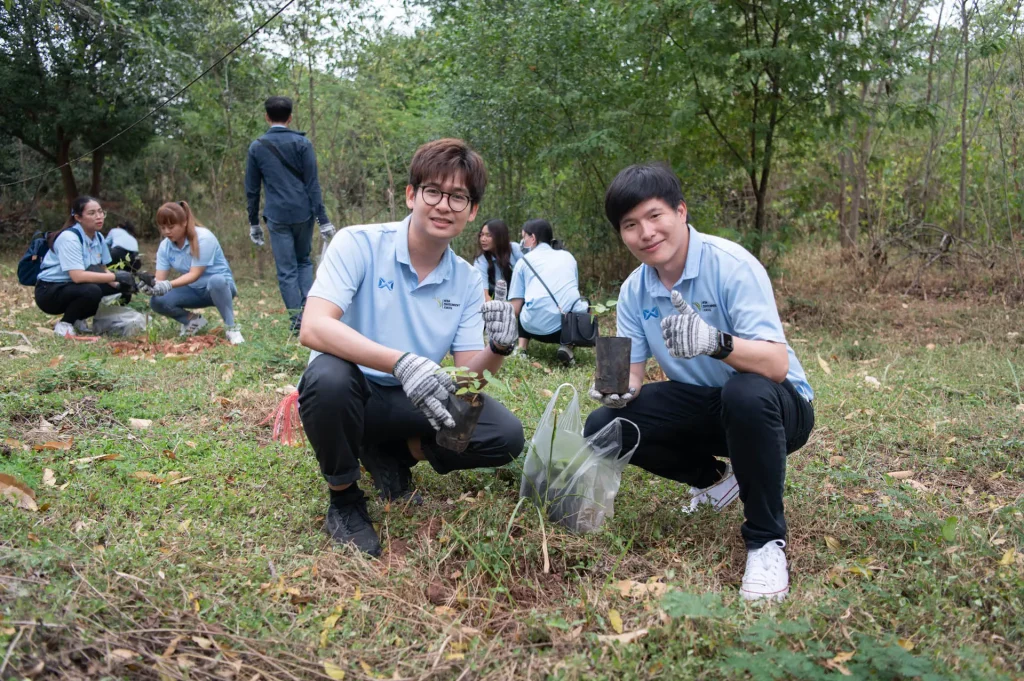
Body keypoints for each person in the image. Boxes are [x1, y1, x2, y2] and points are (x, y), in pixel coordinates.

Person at [584, 163, 814, 602]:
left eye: (655, 216)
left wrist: (716, 342)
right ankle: (714, 479)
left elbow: (776, 364)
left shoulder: (732, 266)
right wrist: (614, 388)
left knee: (744, 390)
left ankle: (766, 542)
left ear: (681, 211)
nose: (645, 233)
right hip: (709, 406)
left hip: (778, 407)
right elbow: (627, 375)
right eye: (630, 225)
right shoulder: (634, 289)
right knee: (604, 427)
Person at [297, 138, 524, 556]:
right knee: (328, 377)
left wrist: (498, 347)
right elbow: (313, 328)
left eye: (459, 197)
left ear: (472, 211)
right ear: (411, 195)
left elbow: (468, 381)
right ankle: (344, 499)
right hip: (352, 392)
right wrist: (400, 362)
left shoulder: (468, 280)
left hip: (411, 399)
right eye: (433, 191)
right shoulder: (359, 244)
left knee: (500, 433)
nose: (444, 205)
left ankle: (393, 456)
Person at [245, 96, 335, 331]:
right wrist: (322, 219)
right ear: (290, 117)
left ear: (266, 117)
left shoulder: (257, 147)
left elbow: (252, 190)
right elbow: (313, 184)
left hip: (276, 216)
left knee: (286, 270)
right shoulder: (302, 144)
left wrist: (253, 222)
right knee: (304, 262)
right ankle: (311, 317)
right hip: (303, 212)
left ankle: (298, 323)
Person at [140, 201, 245, 345]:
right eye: (162, 227)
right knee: (157, 301)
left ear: (184, 222)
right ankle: (192, 321)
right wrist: (150, 286)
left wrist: (168, 285)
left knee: (216, 281)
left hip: (220, 288)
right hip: (193, 291)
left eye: (171, 227)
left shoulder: (204, 238)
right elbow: (159, 280)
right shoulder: (165, 246)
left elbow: (194, 274)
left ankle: (231, 328)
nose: (166, 232)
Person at [34, 196, 134, 337]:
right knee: (91, 291)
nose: (98, 217)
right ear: (78, 217)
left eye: (100, 212)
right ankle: (65, 324)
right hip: (50, 291)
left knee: (123, 291)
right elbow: (77, 276)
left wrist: (120, 284)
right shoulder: (69, 238)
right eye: (92, 213)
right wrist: (116, 275)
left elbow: (102, 269)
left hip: (73, 287)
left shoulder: (98, 237)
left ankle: (79, 319)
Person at [507, 219, 587, 364]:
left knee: (523, 298)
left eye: (524, 237)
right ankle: (567, 346)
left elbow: (515, 309)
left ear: (533, 238)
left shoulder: (523, 262)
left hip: (532, 328)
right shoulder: (568, 257)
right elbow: (572, 291)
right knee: (576, 301)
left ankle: (522, 348)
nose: (522, 242)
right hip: (570, 330)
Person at [472, 218, 522, 301]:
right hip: (497, 304)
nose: (483, 239)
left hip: (521, 298)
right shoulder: (480, 260)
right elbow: (484, 295)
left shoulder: (514, 249)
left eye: (488, 235)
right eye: (482, 234)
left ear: (500, 237)